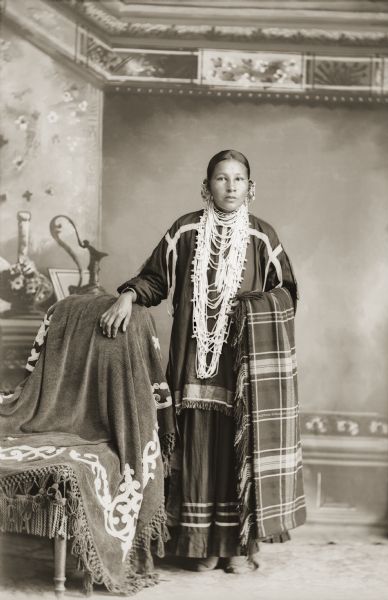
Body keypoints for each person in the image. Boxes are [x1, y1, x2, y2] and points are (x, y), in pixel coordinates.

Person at [99, 149, 300, 574]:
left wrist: (255, 307)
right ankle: (201, 544)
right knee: (194, 448)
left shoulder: (262, 236)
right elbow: (155, 278)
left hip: (242, 365)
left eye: (238, 179)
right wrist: (128, 295)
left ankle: (237, 548)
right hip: (192, 363)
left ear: (251, 187)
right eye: (221, 179)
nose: (230, 186)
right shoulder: (186, 231)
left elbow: (287, 293)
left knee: (238, 450)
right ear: (205, 186)